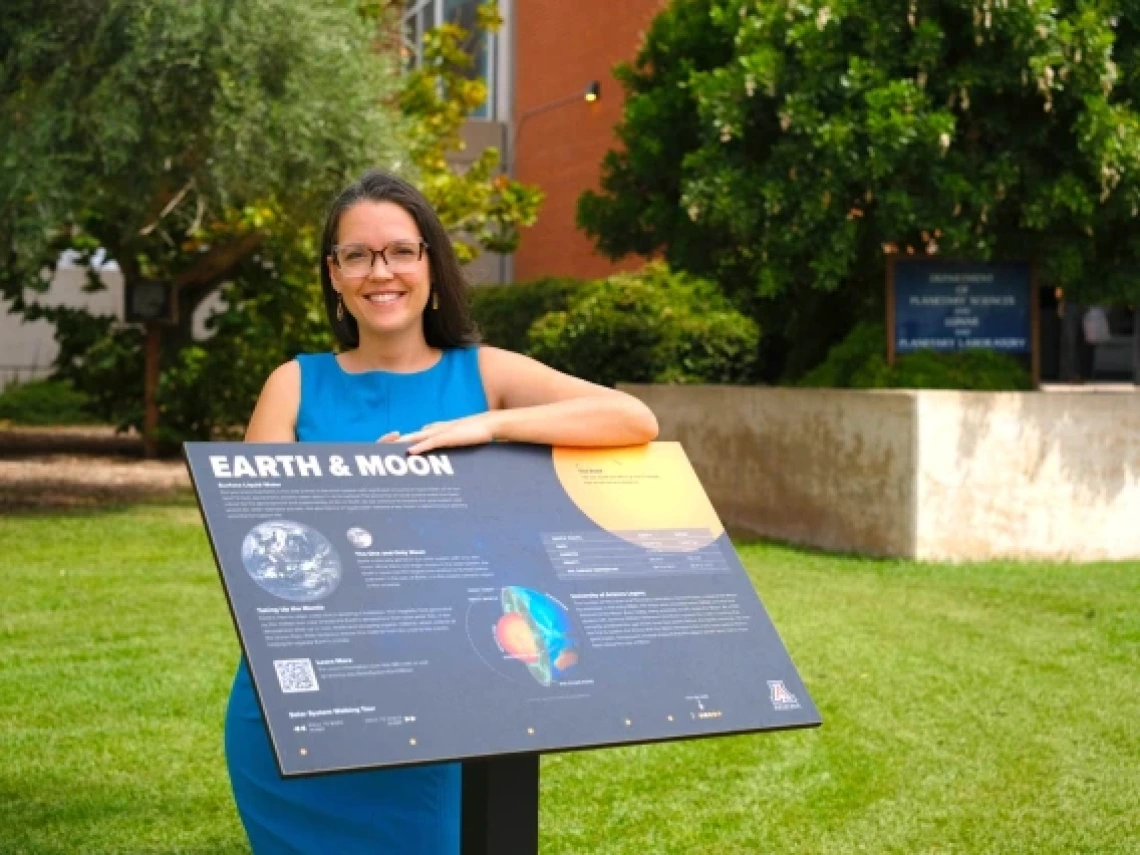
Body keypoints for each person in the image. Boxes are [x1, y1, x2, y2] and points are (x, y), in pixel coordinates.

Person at [227, 169, 658, 854]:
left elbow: (633, 417)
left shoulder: (481, 373)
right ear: (334, 275)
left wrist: (486, 426)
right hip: (300, 707)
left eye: (401, 250)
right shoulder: (293, 383)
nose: (381, 271)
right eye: (358, 255)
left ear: (430, 262)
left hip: (433, 709)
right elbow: (256, 551)